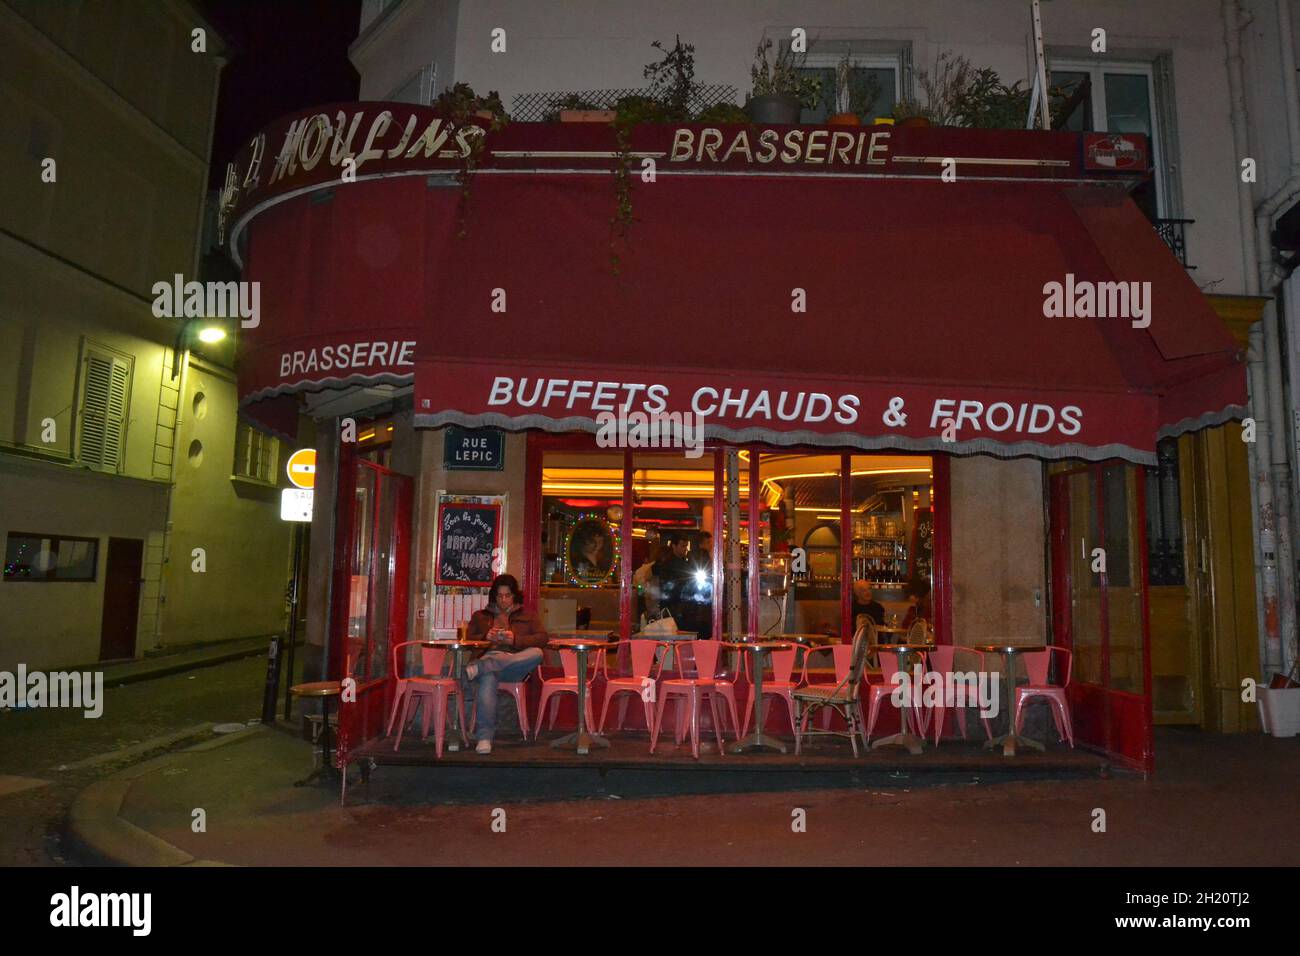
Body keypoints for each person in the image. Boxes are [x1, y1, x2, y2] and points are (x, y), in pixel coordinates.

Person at [463, 574, 548, 754]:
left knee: (537, 653)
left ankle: (480, 668)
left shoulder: (528, 616)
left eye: (507, 595)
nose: (503, 600)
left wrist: (515, 640)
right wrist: (486, 637)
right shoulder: (480, 616)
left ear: (514, 595)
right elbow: (467, 639)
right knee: (488, 678)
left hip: (515, 664)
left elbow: (542, 638)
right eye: (500, 596)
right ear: (494, 596)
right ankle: (485, 738)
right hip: (489, 658)